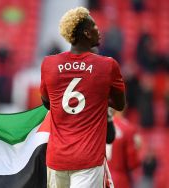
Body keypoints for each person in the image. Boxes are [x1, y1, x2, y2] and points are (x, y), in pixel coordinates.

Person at [40, 7, 125, 188]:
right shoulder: (108, 66)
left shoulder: (49, 64)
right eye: (94, 26)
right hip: (88, 160)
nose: (98, 31)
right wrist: (97, 100)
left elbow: (47, 104)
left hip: (57, 157)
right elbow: (120, 104)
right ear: (86, 32)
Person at [106, 110, 141, 188]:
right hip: (120, 179)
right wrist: (137, 148)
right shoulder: (128, 128)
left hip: (100, 177)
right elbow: (132, 163)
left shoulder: (100, 125)